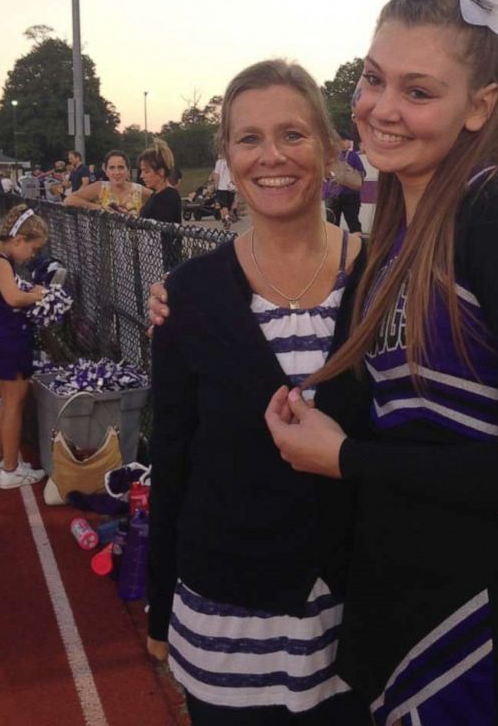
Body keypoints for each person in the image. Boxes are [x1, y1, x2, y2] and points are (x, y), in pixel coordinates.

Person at [264, 0, 498, 726]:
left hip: (482, 631)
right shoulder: (397, 227)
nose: (381, 107)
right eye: (374, 78)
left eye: (418, 91)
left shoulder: (497, 224)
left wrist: (346, 459)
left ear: (480, 105)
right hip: (407, 592)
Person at [146, 61, 370, 725]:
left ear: (329, 149)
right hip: (227, 628)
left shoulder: (389, 276)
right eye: (249, 139)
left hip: (357, 625)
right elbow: (174, 459)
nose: (271, 156)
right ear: (227, 157)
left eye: (293, 135)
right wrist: (161, 606)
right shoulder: (186, 295)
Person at [0, 205, 48, 489]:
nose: (32, 256)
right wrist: (36, 295)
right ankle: (11, 469)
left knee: (3, 404)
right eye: (33, 250)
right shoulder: (1, 263)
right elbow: (12, 298)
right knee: (14, 403)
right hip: (8, 339)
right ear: (19, 240)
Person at [64, 150, 149, 214]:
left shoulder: (139, 190)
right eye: (112, 168)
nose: (117, 172)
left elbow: (159, 201)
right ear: (106, 171)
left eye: (121, 167)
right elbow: (69, 200)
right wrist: (99, 208)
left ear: (128, 170)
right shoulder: (100, 187)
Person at [324, 131, 366, 233]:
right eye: (340, 140)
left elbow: (362, 174)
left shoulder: (352, 156)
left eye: (345, 140)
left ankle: (358, 247)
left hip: (349, 196)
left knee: (353, 223)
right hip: (334, 195)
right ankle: (333, 247)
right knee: (332, 225)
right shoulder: (329, 156)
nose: (343, 142)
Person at [138, 139, 182, 222]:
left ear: (161, 172)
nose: (141, 176)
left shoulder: (167, 197)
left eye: (146, 171)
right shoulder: (156, 195)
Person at [212, 154, 238, 229]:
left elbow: (216, 175)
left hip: (222, 187)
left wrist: (216, 185)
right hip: (231, 187)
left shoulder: (219, 162)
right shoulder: (232, 161)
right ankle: (228, 216)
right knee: (229, 205)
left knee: (223, 205)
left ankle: (227, 218)